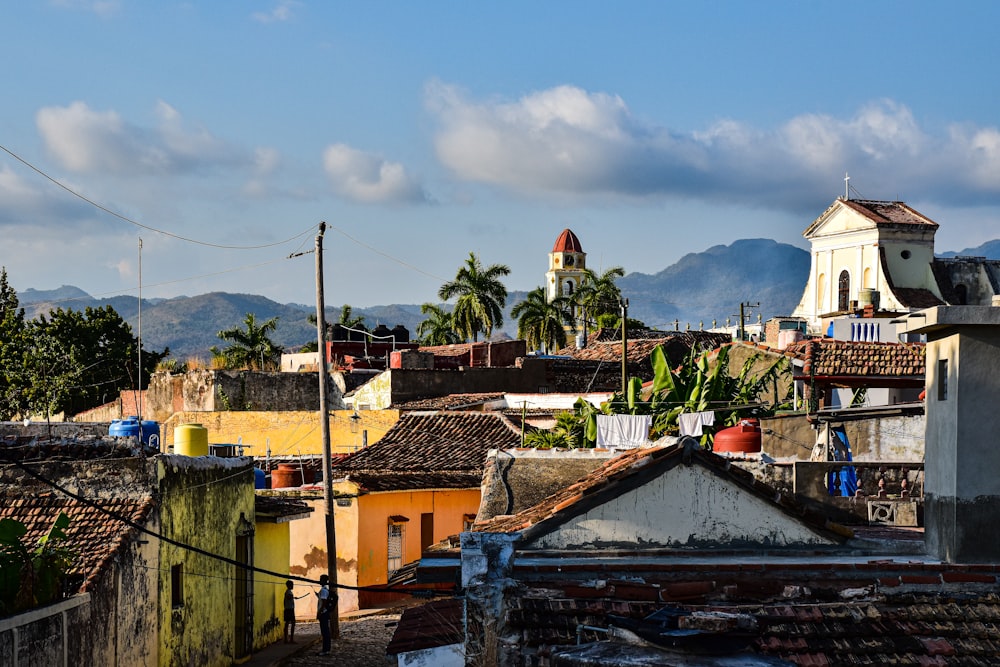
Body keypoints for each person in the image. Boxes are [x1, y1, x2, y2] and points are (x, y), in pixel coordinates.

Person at [283, 580, 308, 644]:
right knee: (292, 624)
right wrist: (293, 597)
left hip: (288, 609)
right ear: (289, 585)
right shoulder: (288, 592)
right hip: (289, 610)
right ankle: (290, 639)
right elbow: (288, 597)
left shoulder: (288, 592)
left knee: (287, 624)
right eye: (292, 585)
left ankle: (287, 639)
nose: (293, 586)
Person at [316, 574, 331, 656]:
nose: (319, 581)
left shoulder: (324, 590)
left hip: (323, 613)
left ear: (324, 581)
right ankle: (326, 649)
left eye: (320, 579)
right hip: (325, 613)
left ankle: (325, 650)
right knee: (326, 632)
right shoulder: (324, 590)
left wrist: (319, 612)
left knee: (325, 632)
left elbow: (324, 603)